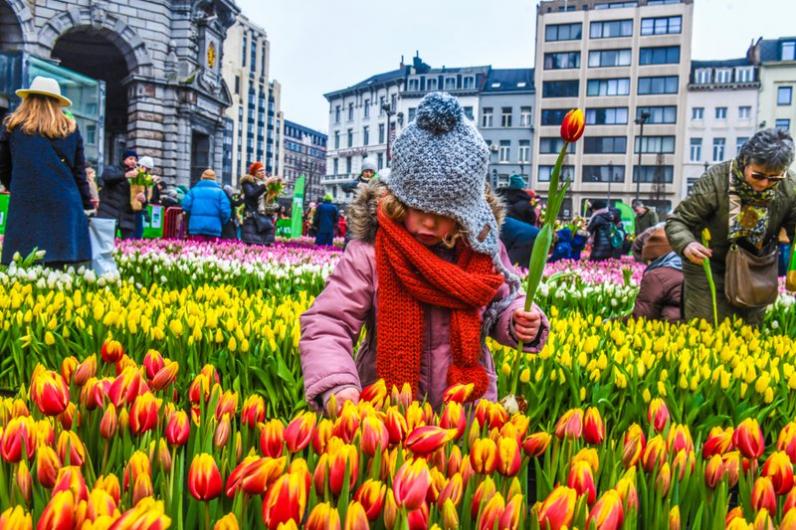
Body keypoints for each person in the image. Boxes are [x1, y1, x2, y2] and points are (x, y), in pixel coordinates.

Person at [300, 92, 549, 410]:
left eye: (444, 213)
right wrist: (338, 384)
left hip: (464, 411)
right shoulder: (371, 252)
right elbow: (328, 322)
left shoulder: (480, 250)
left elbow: (501, 304)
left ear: (465, 211)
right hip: (385, 411)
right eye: (418, 207)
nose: (428, 222)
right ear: (399, 198)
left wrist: (517, 321)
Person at [666, 128, 796, 325]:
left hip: (754, 267)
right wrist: (687, 245)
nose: (764, 184)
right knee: (706, 329)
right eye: (758, 175)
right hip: (709, 266)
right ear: (745, 160)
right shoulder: (716, 180)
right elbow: (678, 221)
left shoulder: (790, 186)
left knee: (748, 333)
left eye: (774, 178)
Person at [0, 76, 93, 267]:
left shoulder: (12, 127)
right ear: (57, 103)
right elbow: (79, 172)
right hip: (65, 202)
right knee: (59, 268)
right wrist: (86, 202)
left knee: (24, 266)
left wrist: (18, 185)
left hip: (26, 201)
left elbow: (3, 166)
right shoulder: (69, 128)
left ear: (28, 99)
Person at [632, 225, 683, 323]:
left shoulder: (656, 276)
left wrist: (610, 322)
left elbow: (642, 316)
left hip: (669, 329)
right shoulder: (691, 268)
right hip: (695, 330)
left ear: (652, 258)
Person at [98, 149, 142, 239]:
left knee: (127, 246)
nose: (133, 161)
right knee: (107, 243)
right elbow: (107, 178)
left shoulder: (138, 176)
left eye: (135, 160)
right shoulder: (112, 169)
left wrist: (143, 200)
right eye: (131, 158)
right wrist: (125, 175)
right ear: (124, 160)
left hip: (127, 216)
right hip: (109, 213)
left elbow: (141, 195)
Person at [181, 169, 231, 241]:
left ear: (202, 178)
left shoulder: (193, 191)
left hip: (196, 228)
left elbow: (185, 207)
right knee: (212, 251)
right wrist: (222, 222)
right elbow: (225, 212)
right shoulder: (220, 193)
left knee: (197, 250)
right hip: (214, 228)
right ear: (214, 179)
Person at [239, 161, 277, 246]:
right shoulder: (247, 183)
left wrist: (275, 188)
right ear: (254, 172)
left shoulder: (268, 183)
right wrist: (265, 184)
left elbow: (272, 201)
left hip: (265, 218)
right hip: (252, 219)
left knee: (266, 245)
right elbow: (252, 194)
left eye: (264, 170)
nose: (263, 172)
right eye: (260, 170)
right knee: (252, 244)